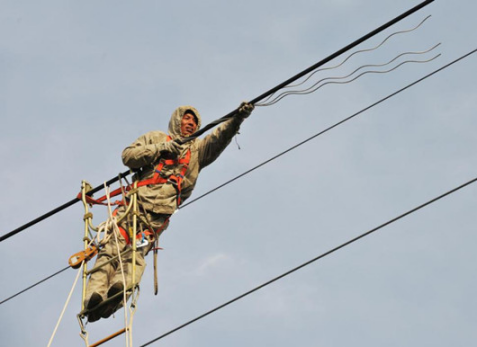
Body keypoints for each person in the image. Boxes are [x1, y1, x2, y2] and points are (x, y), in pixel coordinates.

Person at [84, 102, 254, 322]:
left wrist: (237, 119)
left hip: (156, 217)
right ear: (177, 120)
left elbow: (218, 138)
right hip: (131, 207)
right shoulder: (156, 138)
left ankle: (116, 294)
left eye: (194, 121)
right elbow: (128, 156)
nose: (191, 123)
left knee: (135, 252)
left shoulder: (198, 151)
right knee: (109, 250)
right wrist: (159, 150)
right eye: (187, 119)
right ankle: (93, 297)